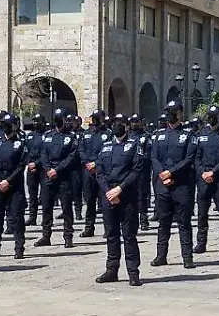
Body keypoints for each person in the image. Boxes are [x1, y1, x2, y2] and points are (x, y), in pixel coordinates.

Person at [95, 114, 143, 286]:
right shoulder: (106, 146)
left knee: (129, 235)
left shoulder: (134, 146)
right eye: (114, 123)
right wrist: (109, 192)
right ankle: (111, 270)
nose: (117, 126)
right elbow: (99, 172)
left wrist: (119, 189)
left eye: (120, 124)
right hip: (108, 195)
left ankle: (133, 272)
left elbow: (136, 171)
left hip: (126, 194)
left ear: (127, 126)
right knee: (111, 234)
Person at [150, 100, 198, 269]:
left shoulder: (189, 135)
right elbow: (154, 157)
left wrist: (172, 173)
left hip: (181, 185)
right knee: (163, 222)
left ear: (180, 113)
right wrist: (163, 174)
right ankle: (161, 255)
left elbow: (189, 158)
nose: (170, 114)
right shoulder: (158, 134)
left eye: (173, 111)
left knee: (184, 223)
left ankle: (187, 257)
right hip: (163, 185)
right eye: (168, 111)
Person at [0, 111, 29, 258]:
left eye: (8, 125)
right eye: (4, 125)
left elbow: (21, 165)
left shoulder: (21, 143)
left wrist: (8, 181)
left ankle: (19, 248)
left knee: (17, 217)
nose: (6, 127)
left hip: (14, 184)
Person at [35, 108, 79, 248]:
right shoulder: (48, 136)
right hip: (48, 176)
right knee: (46, 207)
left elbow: (71, 156)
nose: (67, 122)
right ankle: (46, 235)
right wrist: (48, 169)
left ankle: (68, 236)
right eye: (65, 119)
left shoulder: (71, 137)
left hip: (64, 176)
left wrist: (57, 170)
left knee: (66, 208)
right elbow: (43, 154)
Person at [194, 105, 219, 255]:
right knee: (202, 213)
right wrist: (203, 173)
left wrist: (213, 172)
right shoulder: (201, 134)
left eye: (214, 115)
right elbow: (196, 157)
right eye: (209, 115)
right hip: (204, 178)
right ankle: (201, 243)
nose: (211, 118)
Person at [79, 110, 111, 239]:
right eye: (95, 118)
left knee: (104, 201)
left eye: (99, 118)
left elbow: (107, 151)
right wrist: (87, 163)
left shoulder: (108, 134)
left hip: (102, 171)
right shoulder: (86, 134)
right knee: (89, 200)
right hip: (88, 171)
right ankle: (89, 227)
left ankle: (108, 228)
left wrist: (96, 163)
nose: (97, 120)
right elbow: (81, 149)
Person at [24, 114, 45, 228]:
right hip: (31, 169)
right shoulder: (30, 136)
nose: (36, 124)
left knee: (45, 195)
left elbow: (46, 153)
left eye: (38, 121)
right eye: (34, 121)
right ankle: (32, 217)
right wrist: (29, 163)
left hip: (42, 168)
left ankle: (46, 218)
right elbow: (26, 151)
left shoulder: (46, 136)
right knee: (32, 194)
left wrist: (36, 163)